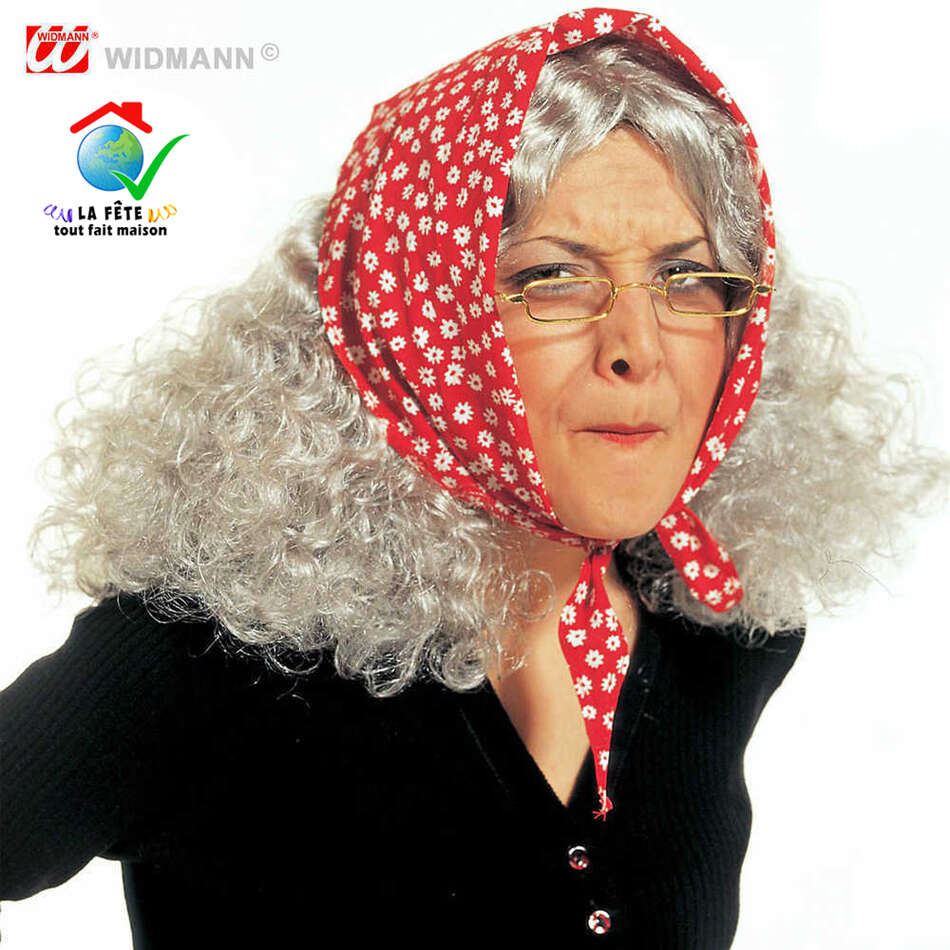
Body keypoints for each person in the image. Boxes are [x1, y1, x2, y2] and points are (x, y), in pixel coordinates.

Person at [1, 7, 944, 948]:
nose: (638, 348)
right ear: (423, 316)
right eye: (555, 279)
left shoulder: (718, 630)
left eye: (688, 281)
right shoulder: (204, 658)